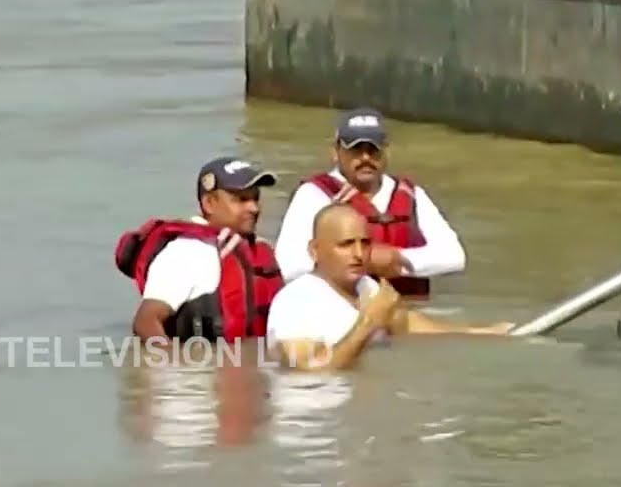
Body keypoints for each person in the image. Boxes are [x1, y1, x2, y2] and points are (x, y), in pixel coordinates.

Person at [267, 204, 510, 372]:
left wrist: (481, 333)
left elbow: (408, 325)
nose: (359, 254)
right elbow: (309, 370)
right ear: (315, 251)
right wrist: (369, 322)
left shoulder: (366, 287)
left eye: (365, 243)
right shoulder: (296, 302)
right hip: (315, 432)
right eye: (346, 245)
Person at [273, 108, 466, 298]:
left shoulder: (412, 194)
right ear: (335, 152)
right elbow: (288, 265)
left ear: (386, 152)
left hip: (407, 313)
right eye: (356, 149)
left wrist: (397, 260)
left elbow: (454, 257)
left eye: (373, 150)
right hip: (345, 312)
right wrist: (364, 261)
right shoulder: (313, 195)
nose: (365, 158)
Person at [115, 157, 284, 343]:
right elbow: (146, 321)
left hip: (248, 365)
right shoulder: (188, 252)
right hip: (201, 368)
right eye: (241, 199)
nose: (253, 207)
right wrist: (177, 364)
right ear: (209, 203)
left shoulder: (258, 248)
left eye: (255, 198)